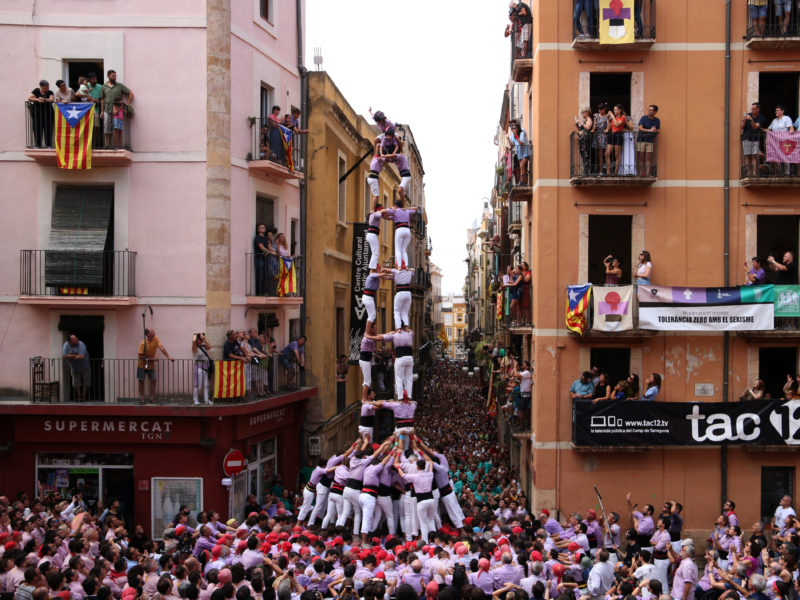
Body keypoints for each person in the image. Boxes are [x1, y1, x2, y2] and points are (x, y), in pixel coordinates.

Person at [366, 127, 412, 204]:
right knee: (377, 195)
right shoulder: (378, 156)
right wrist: (382, 154)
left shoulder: (400, 157)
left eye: (390, 136)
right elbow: (379, 146)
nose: (389, 137)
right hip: (373, 177)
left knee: (399, 190)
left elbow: (393, 154)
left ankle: (402, 206)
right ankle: (373, 209)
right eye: (388, 136)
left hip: (406, 177)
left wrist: (386, 155)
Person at [137, 328, 173, 405]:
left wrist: (168, 357)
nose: (154, 332)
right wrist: (152, 359)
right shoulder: (143, 344)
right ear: (148, 334)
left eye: (153, 331)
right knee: (141, 381)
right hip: (141, 365)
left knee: (153, 380)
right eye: (151, 331)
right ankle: (142, 398)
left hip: (151, 366)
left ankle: (151, 397)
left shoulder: (156, 339)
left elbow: (161, 348)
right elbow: (140, 356)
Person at [100, 70, 133, 149]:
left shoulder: (119, 86)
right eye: (113, 76)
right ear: (108, 76)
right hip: (107, 110)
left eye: (115, 76)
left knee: (116, 129)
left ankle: (115, 145)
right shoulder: (104, 86)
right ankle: (107, 145)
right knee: (107, 128)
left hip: (117, 112)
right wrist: (101, 111)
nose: (115, 77)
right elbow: (102, 99)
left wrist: (127, 104)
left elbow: (131, 93)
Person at [384, 200, 419, 270]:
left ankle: (399, 266)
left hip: (399, 230)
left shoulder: (395, 211)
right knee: (403, 250)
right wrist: (407, 208)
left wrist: (391, 209)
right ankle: (406, 266)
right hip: (407, 230)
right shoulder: (406, 211)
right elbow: (416, 209)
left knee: (398, 249)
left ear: (396, 206)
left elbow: (385, 213)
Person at [62, 334, 90, 402]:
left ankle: (83, 396)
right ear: (70, 341)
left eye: (76, 338)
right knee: (76, 382)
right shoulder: (66, 345)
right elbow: (65, 355)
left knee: (85, 381)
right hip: (74, 367)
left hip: (84, 366)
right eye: (74, 339)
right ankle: (79, 396)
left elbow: (81, 356)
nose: (76, 340)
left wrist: (71, 358)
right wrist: (76, 356)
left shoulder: (81, 344)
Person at [27, 80, 55, 148]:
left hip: (48, 114)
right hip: (37, 114)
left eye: (48, 86)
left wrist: (44, 99)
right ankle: (38, 144)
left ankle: (48, 145)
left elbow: (51, 99)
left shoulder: (50, 92)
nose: (48, 88)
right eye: (47, 87)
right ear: (42, 87)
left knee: (48, 129)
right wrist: (37, 100)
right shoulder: (36, 91)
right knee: (37, 128)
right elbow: (30, 98)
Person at [767, 105, 794, 175]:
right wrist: (759, 128)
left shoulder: (786, 118)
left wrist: (791, 131)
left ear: (782, 111)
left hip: (784, 141)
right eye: (775, 111)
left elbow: (791, 128)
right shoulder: (774, 120)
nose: (776, 112)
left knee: (785, 156)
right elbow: (768, 130)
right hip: (775, 142)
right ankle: (779, 173)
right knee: (776, 157)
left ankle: (786, 173)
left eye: (777, 110)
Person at [741, 103, 766, 177]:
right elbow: (741, 127)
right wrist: (744, 120)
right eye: (751, 109)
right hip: (747, 138)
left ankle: (754, 173)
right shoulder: (747, 115)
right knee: (748, 156)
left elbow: (755, 127)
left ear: (758, 109)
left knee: (754, 156)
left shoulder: (761, 118)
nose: (752, 110)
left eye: (754, 109)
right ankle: (749, 172)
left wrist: (751, 120)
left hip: (755, 139)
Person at [605, 104, 631, 176]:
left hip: (618, 135)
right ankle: (608, 171)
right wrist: (607, 119)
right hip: (612, 135)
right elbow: (609, 127)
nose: (614, 111)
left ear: (620, 110)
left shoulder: (623, 117)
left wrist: (612, 116)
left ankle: (616, 172)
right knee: (607, 154)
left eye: (616, 110)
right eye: (614, 110)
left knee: (617, 155)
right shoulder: (614, 118)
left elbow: (617, 125)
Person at [637, 105, 660, 177]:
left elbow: (659, 131)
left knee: (648, 157)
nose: (649, 111)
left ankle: (648, 173)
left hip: (650, 140)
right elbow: (640, 128)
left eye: (651, 110)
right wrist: (649, 130)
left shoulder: (657, 120)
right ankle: (641, 172)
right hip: (641, 140)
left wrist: (655, 130)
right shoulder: (644, 118)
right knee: (641, 157)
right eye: (649, 110)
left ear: (655, 112)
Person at [191, 333, 213, 406]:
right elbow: (193, 341)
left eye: (200, 340)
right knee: (198, 384)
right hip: (199, 367)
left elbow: (210, 347)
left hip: (206, 367)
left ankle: (206, 400)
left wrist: (204, 338)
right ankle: (195, 400)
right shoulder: (194, 347)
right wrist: (196, 334)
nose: (200, 341)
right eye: (199, 340)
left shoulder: (203, 347)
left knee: (206, 384)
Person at [592, 102, 610, 175]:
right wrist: (593, 130)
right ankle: (597, 168)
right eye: (599, 109)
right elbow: (594, 125)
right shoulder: (596, 115)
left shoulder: (607, 117)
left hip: (603, 135)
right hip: (597, 135)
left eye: (601, 109)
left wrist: (607, 129)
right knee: (596, 153)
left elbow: (609, 126)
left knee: (601, 153)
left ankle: (601, 171)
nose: (600, 111)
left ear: (605, 109)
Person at [575, 108, 593, 176]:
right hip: (582, 139)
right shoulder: (585, 120)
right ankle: (586, 171)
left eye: (583, 113)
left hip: (586, 140)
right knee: (583, 155)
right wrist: (577, 124)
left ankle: (587, 172)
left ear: (587, 113)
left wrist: (581, 123)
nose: (582, 114)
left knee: (586, 154)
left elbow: (588, 128)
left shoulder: (589, 119)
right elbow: (581, 129)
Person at [253, 224, 270, 295]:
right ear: (258, 230)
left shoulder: (266, 238)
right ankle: (259, 292)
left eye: (264, 228)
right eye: (262, 228)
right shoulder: (257, 238)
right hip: (259, 259)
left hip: (265, 258)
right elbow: (261, 247)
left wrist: (274, 252)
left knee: (266, 275)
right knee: (260, 275)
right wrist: (271, 252)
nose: (264, 229)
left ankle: (265, 291)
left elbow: (269, 246)